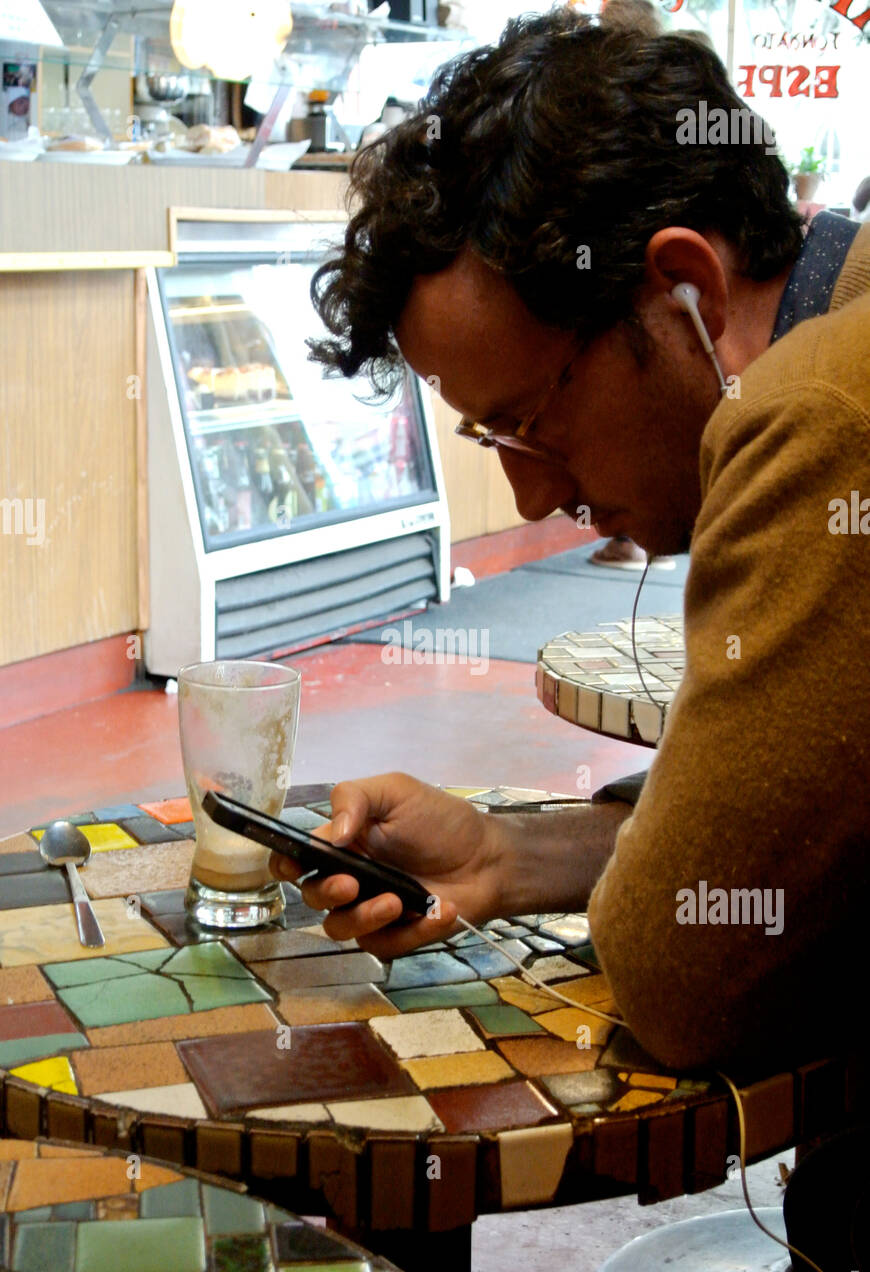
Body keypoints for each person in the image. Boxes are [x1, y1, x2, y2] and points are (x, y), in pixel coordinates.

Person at [277, 13, 869, 1083]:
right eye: (492, 440)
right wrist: (508, 853)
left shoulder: (824, 411)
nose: (536, 494)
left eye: (534, 423)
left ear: (687, 289)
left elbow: (686, 978)